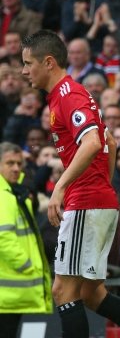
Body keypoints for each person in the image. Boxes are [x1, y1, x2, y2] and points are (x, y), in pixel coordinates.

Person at [21, 30, 120, 338]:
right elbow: (109, 141)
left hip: (85, 202)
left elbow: (92, 143)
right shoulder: (71, 94)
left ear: (48, 62)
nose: (24, 71)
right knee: (91, 293)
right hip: (97, 200)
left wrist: (61, 187)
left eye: (27, 63)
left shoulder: (67, 95)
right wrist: (102, 185)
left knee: (63, 291)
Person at [0, 142, 52, 338]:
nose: (16, 168)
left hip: (10, 292)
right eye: (10, 163)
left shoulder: (16, 193)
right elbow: (3, 237)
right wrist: (27, 265)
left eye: (19, 163)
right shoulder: (4, 196)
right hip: (8, 290)